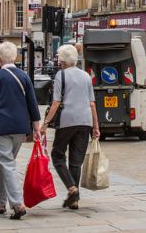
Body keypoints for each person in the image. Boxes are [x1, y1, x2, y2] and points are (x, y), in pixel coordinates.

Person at [0, 41, 41, 220]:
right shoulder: (24, 76)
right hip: (21, 128)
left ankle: (17, 203)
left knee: (7, 163)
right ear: (15, 57)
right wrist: (36, 128)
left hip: (0, 126)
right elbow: (32, 103)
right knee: (5, 161)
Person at [40, 44, 100, 211]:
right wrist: (96, 126)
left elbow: (56, 101)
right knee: (76, 161)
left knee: (57, 155)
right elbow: (92, 103)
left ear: (63, 60)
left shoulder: (61, 75)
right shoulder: (86, 76)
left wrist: (45, 123)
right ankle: (74, 201)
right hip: (85, 121)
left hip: (67, 120)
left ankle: (72, 188)